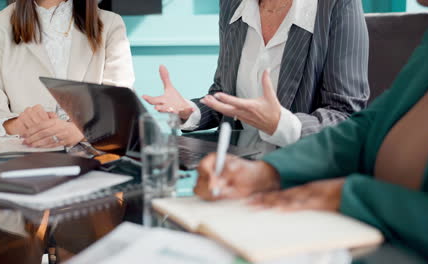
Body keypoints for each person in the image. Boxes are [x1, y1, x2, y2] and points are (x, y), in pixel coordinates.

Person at [194, 1, 428, 261]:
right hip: (350, 234)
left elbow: (344, 113)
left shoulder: (334, 7)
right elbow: (365, 129)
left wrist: (347, 195)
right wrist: (267, 172)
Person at [143, 0, 369, 154]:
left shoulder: (336, 5)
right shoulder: (233, 4)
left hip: (299, 174)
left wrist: (282, 125)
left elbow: (345, 117)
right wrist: (190, 111)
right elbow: (225, 94)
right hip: (235, 166)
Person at [0, 0, 134, 148]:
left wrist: (82, 131)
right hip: (23, 156)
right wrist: (14, 124)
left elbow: (119, 106)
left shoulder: (110, 23)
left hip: (94, 159)